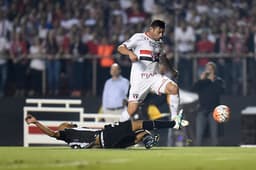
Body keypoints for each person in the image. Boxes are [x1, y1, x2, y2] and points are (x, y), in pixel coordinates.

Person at [117, 20, 181, 121]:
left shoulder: (159, 43)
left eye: (163, 32)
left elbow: (163, 57)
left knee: (174, 88)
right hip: (139, 80)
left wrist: (172, 70)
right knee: (132, 110)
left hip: (154, 77)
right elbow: (120, 48)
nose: (161, 35)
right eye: (159, 32)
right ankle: (118, 126)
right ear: (151, 29)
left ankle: (175, 118)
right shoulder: (139, 37)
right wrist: (130, 53)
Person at [25, 112, 188, 149]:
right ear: (64, 128)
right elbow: (52, 133)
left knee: (137, 136)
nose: (69, 122)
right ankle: (173, 124)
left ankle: (148, 141)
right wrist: (36, 122)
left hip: (106, 143)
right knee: (136, 124)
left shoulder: (73, 134)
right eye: (66, 123)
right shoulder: (67, 134)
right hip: (104, 136)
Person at [191, 61, 225, 146]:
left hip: (214, 111)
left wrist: (212, 80)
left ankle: (215, 151)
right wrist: (201, 80)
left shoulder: (218, 81)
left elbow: (221, 91)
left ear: (214, 70)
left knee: (214, 135)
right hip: (202, 110)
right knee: (199, 135)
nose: (209, 71)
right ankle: (197, 153)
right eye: (207, 69)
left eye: (211, 69)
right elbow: (194, 89)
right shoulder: (202, 82)